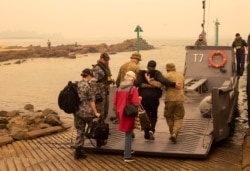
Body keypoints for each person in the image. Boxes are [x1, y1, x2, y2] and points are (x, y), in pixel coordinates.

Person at [135, 60, 181, 141]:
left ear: (147, 66)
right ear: (155, 66)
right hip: (154, 97)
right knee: (153, 115)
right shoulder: (156, 73)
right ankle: (151, 130)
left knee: (146, 115)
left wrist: (143, 84)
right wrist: (174, 84)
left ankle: (146, 134)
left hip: (143, 97)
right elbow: (164, 81)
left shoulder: (141, 73)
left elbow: (136, 83)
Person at [147, 63, 184, 144]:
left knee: (169, 117)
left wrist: (150, 80)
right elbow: (183, 87)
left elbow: (159, 85)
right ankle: (175, 133)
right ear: (174, 68)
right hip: (180, 99)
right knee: (179, 117)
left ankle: (172, 133)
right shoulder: (181, 75)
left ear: (167, 69)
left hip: (169, 99)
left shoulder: (166, 76)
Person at [113, 71, 141, 162]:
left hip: (120, 111)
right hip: (128, 112)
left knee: (127, 132)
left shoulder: (119, 88)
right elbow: (136, 103)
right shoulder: (133, 89)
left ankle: (128, 150)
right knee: (128, 134)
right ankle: (127, 156)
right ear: (133, 79)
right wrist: (140, 98)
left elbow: (115, 103)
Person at [74, 68, 100, 159]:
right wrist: (96, 112)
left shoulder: (77, 85)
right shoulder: (88, 87)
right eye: (91, 76)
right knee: (93, 127)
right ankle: (98, 144)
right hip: (87, 112)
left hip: (77, 112)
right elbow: (92, 101)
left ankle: (78, 150)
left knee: (79, 130)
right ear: (88, 75)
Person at [91, 52, 114, 120]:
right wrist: (96, 94)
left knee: (106, 108)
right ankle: (98, 124)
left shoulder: (106, 67)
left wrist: (108, 84)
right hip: (99, 92)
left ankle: (102, 122)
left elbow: (108, 77)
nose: (107, 61)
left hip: (105, 91)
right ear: (101, 59)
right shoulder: (97, 68)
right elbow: (93, 82)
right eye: (105, 60)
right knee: (100, 109)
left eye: (107, 60)